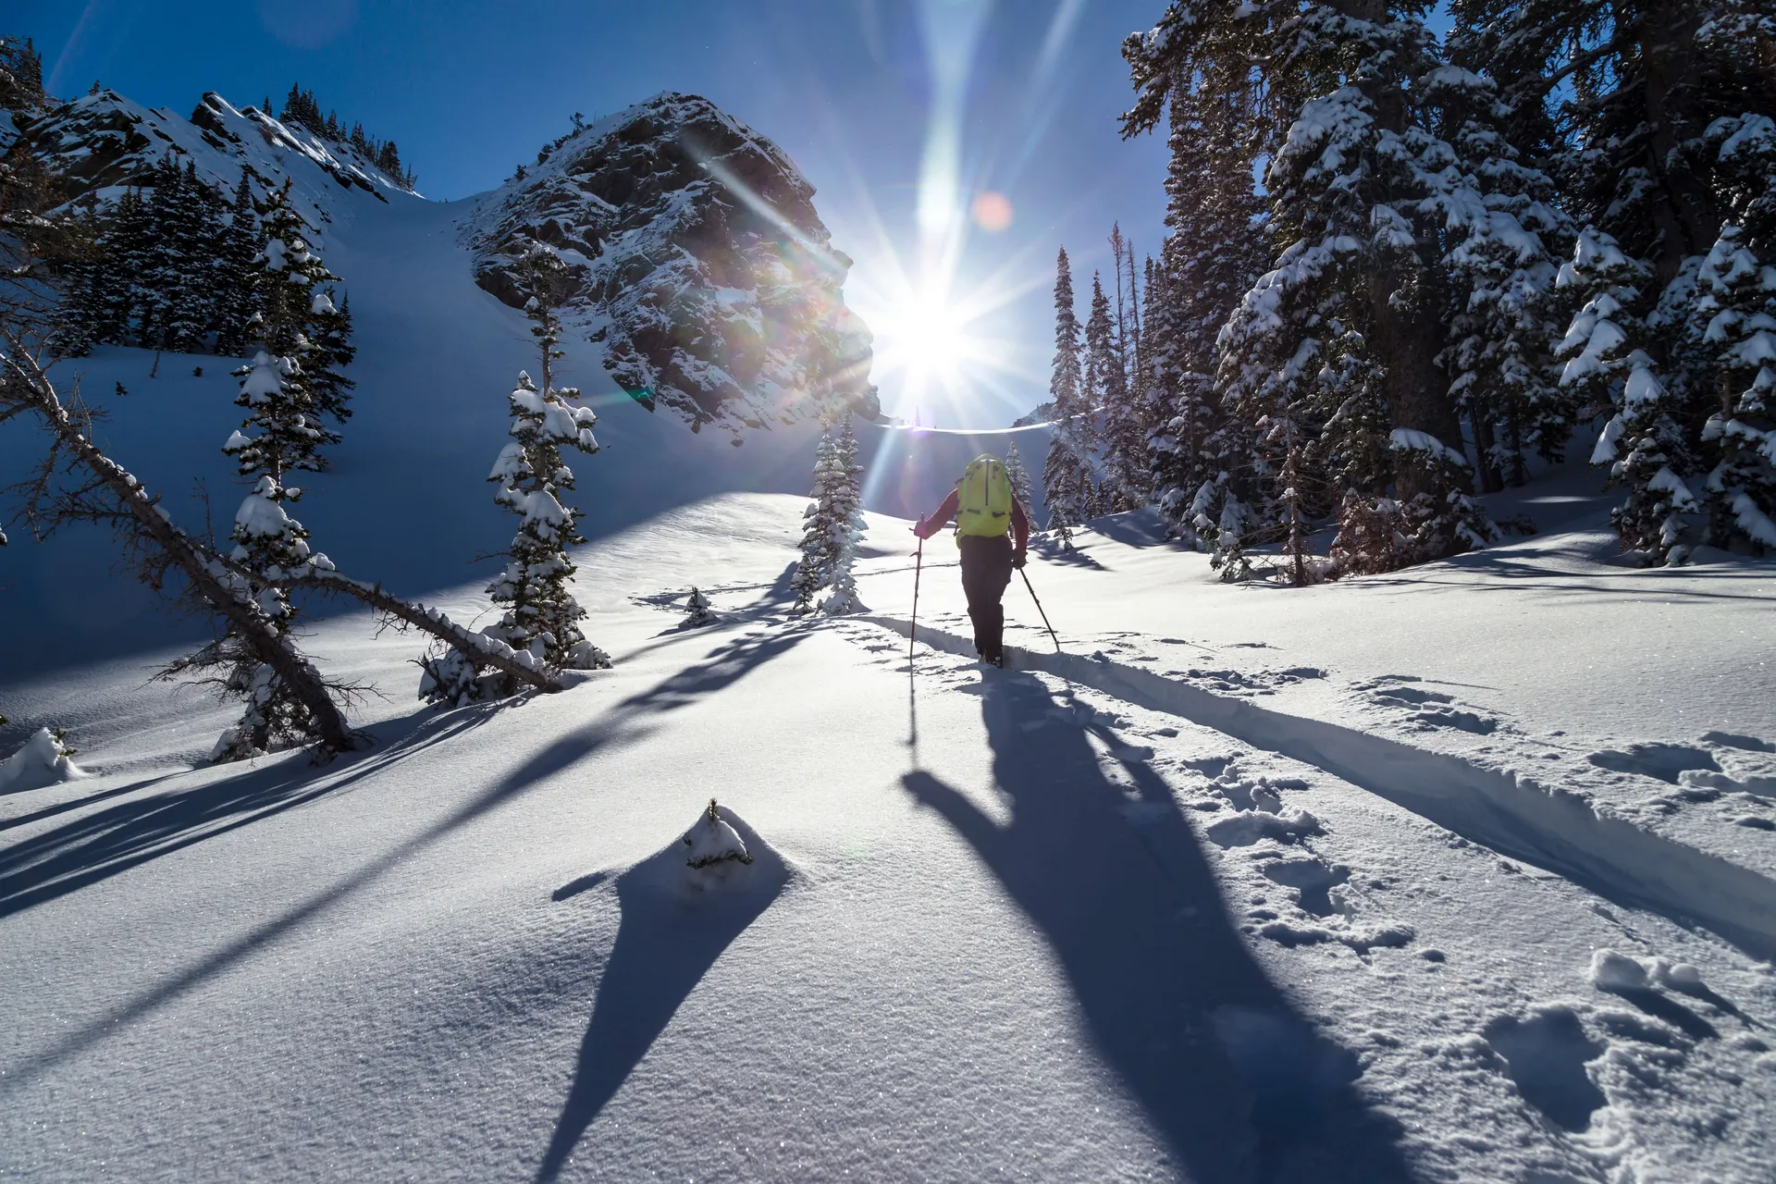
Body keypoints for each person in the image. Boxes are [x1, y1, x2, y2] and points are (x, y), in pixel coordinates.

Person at [913, 453, 1031, 667]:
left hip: (972, 550)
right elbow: (1021, 523)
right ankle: (992, 649)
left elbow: (939, 518)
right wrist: (1020, 551)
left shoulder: (962, 491)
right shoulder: (1005, 493)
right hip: (1001, 550)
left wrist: (923, 531)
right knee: (991, 601)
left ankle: (987, 649)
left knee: (977, 601)